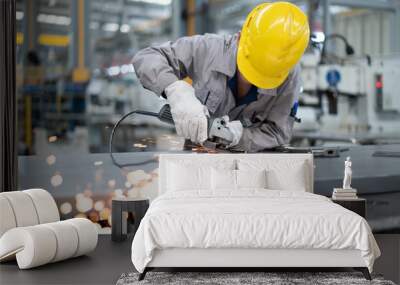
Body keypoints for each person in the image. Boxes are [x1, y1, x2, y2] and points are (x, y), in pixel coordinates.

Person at [132, 2, 309, 152]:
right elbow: (146, 57)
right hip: (197, 157)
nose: (253, 79)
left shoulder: (289, 76)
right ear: (240, 39)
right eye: (252, 67)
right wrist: (174, 90)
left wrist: (239, 137)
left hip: (249, 166)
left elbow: (277, 132)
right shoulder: (208, 49)